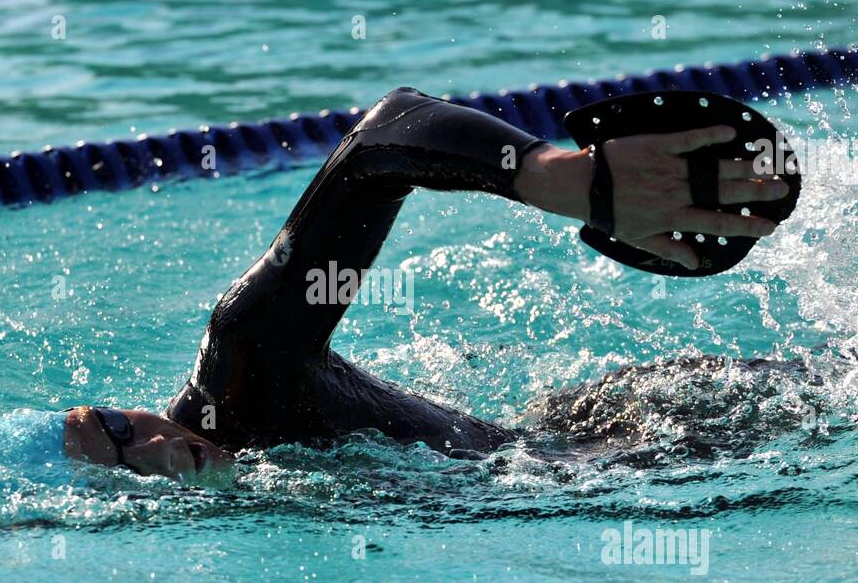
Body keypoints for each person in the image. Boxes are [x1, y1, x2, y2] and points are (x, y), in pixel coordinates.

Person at [59, 87, 790, 483]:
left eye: (118, 424)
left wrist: (555, 177)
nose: (146, 438)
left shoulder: (246, 363)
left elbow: (383, 138)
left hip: (653, 436)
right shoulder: (245, 504)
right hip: (571, 464)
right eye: (127, 453)